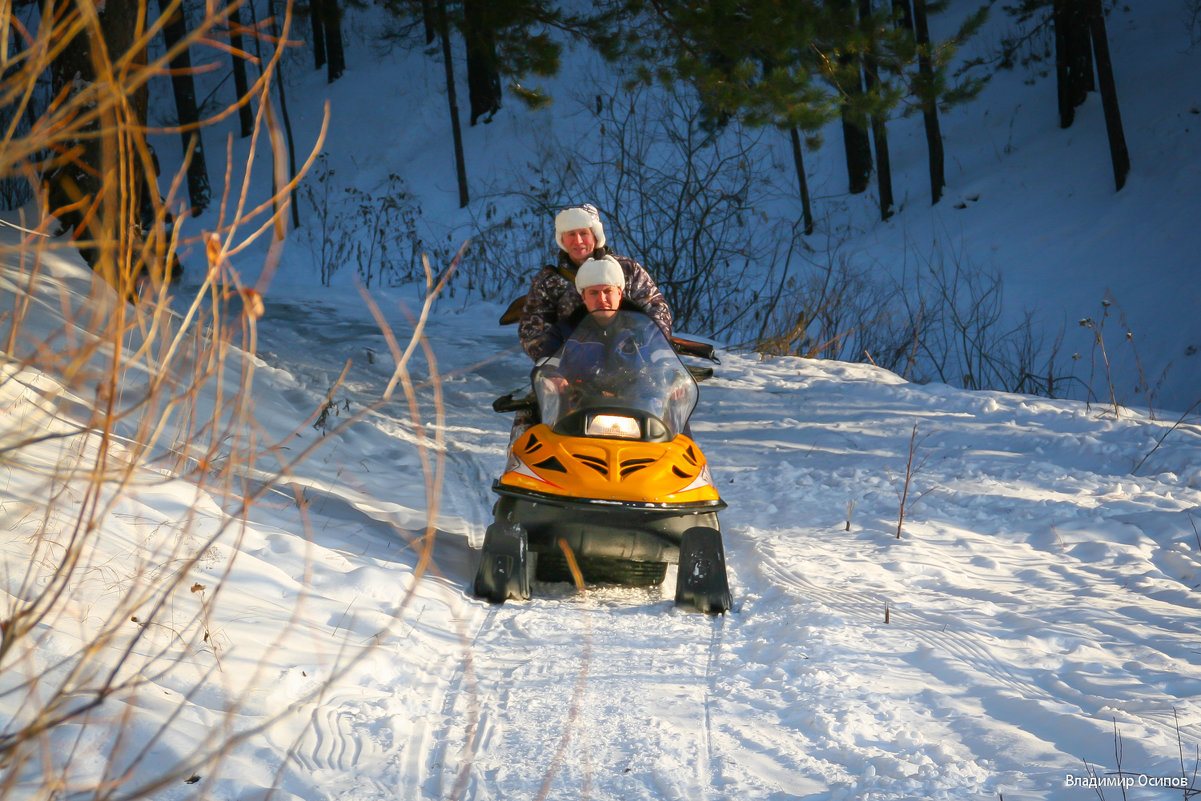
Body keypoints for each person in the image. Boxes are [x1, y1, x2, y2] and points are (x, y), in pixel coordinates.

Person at [517, 203, 672, 362]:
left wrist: (648, 351)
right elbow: (532, 332)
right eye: (571, 234)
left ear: (596, 235)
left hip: (631, 369)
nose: (578, 241)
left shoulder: (627, 270)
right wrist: (558, 365)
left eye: (584, 233)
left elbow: (657, 311)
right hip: (572, 374)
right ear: (562, 239)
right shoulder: (548, 281)